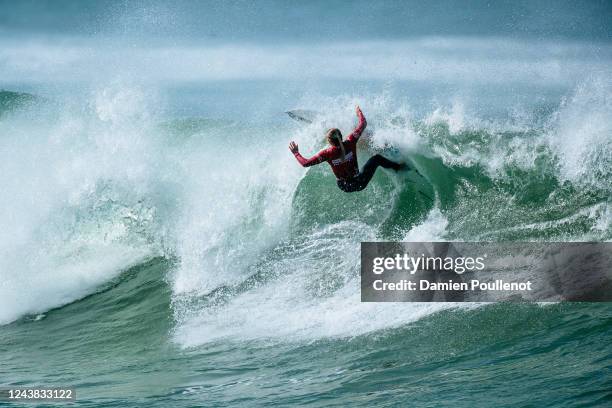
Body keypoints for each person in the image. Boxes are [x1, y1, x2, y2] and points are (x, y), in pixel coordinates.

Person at [289, 105, 405, 192]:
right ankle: (399, 167)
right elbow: (363, 124)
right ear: (341, 136)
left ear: (329, 141)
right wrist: (358, 112)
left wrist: (296, 153)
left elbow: (305, 163)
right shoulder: (350, 141)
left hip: (344, 187)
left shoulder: (327, 153)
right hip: (360, 182)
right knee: (377, 159)